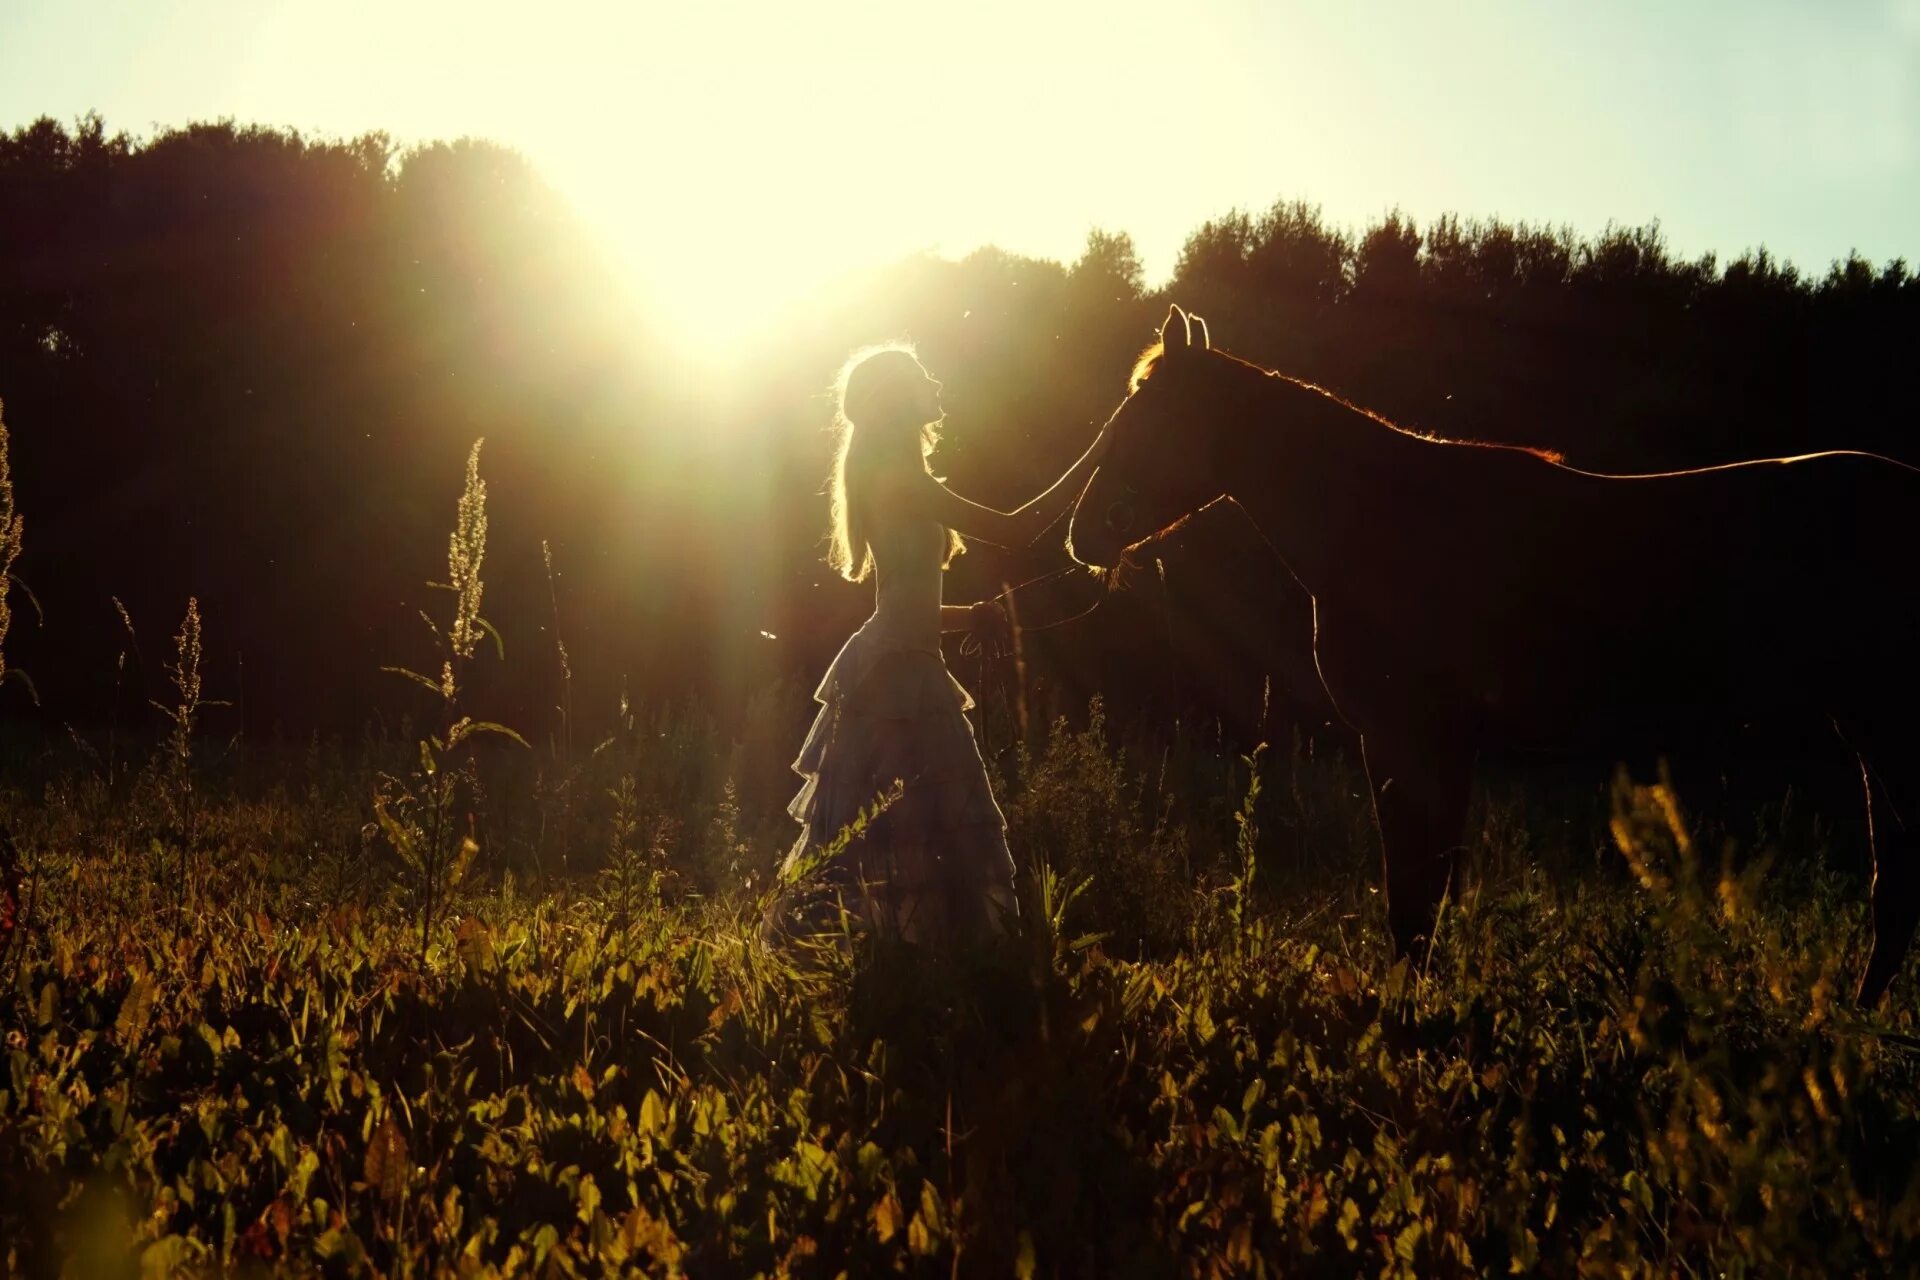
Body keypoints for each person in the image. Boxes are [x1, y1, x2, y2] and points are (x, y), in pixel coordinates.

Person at [769, 344, 1112, 950]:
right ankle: (919, 958)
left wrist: (965, 617)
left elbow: (902, 605)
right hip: (896, 675)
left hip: (893, 662)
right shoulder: (903, 482)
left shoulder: (896, 479)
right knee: (919, 826)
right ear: (901, 400)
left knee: (898, 828)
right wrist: (1106, 445)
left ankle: (904, 959)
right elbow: (1018, 528)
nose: (934, 380)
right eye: (920, 375)